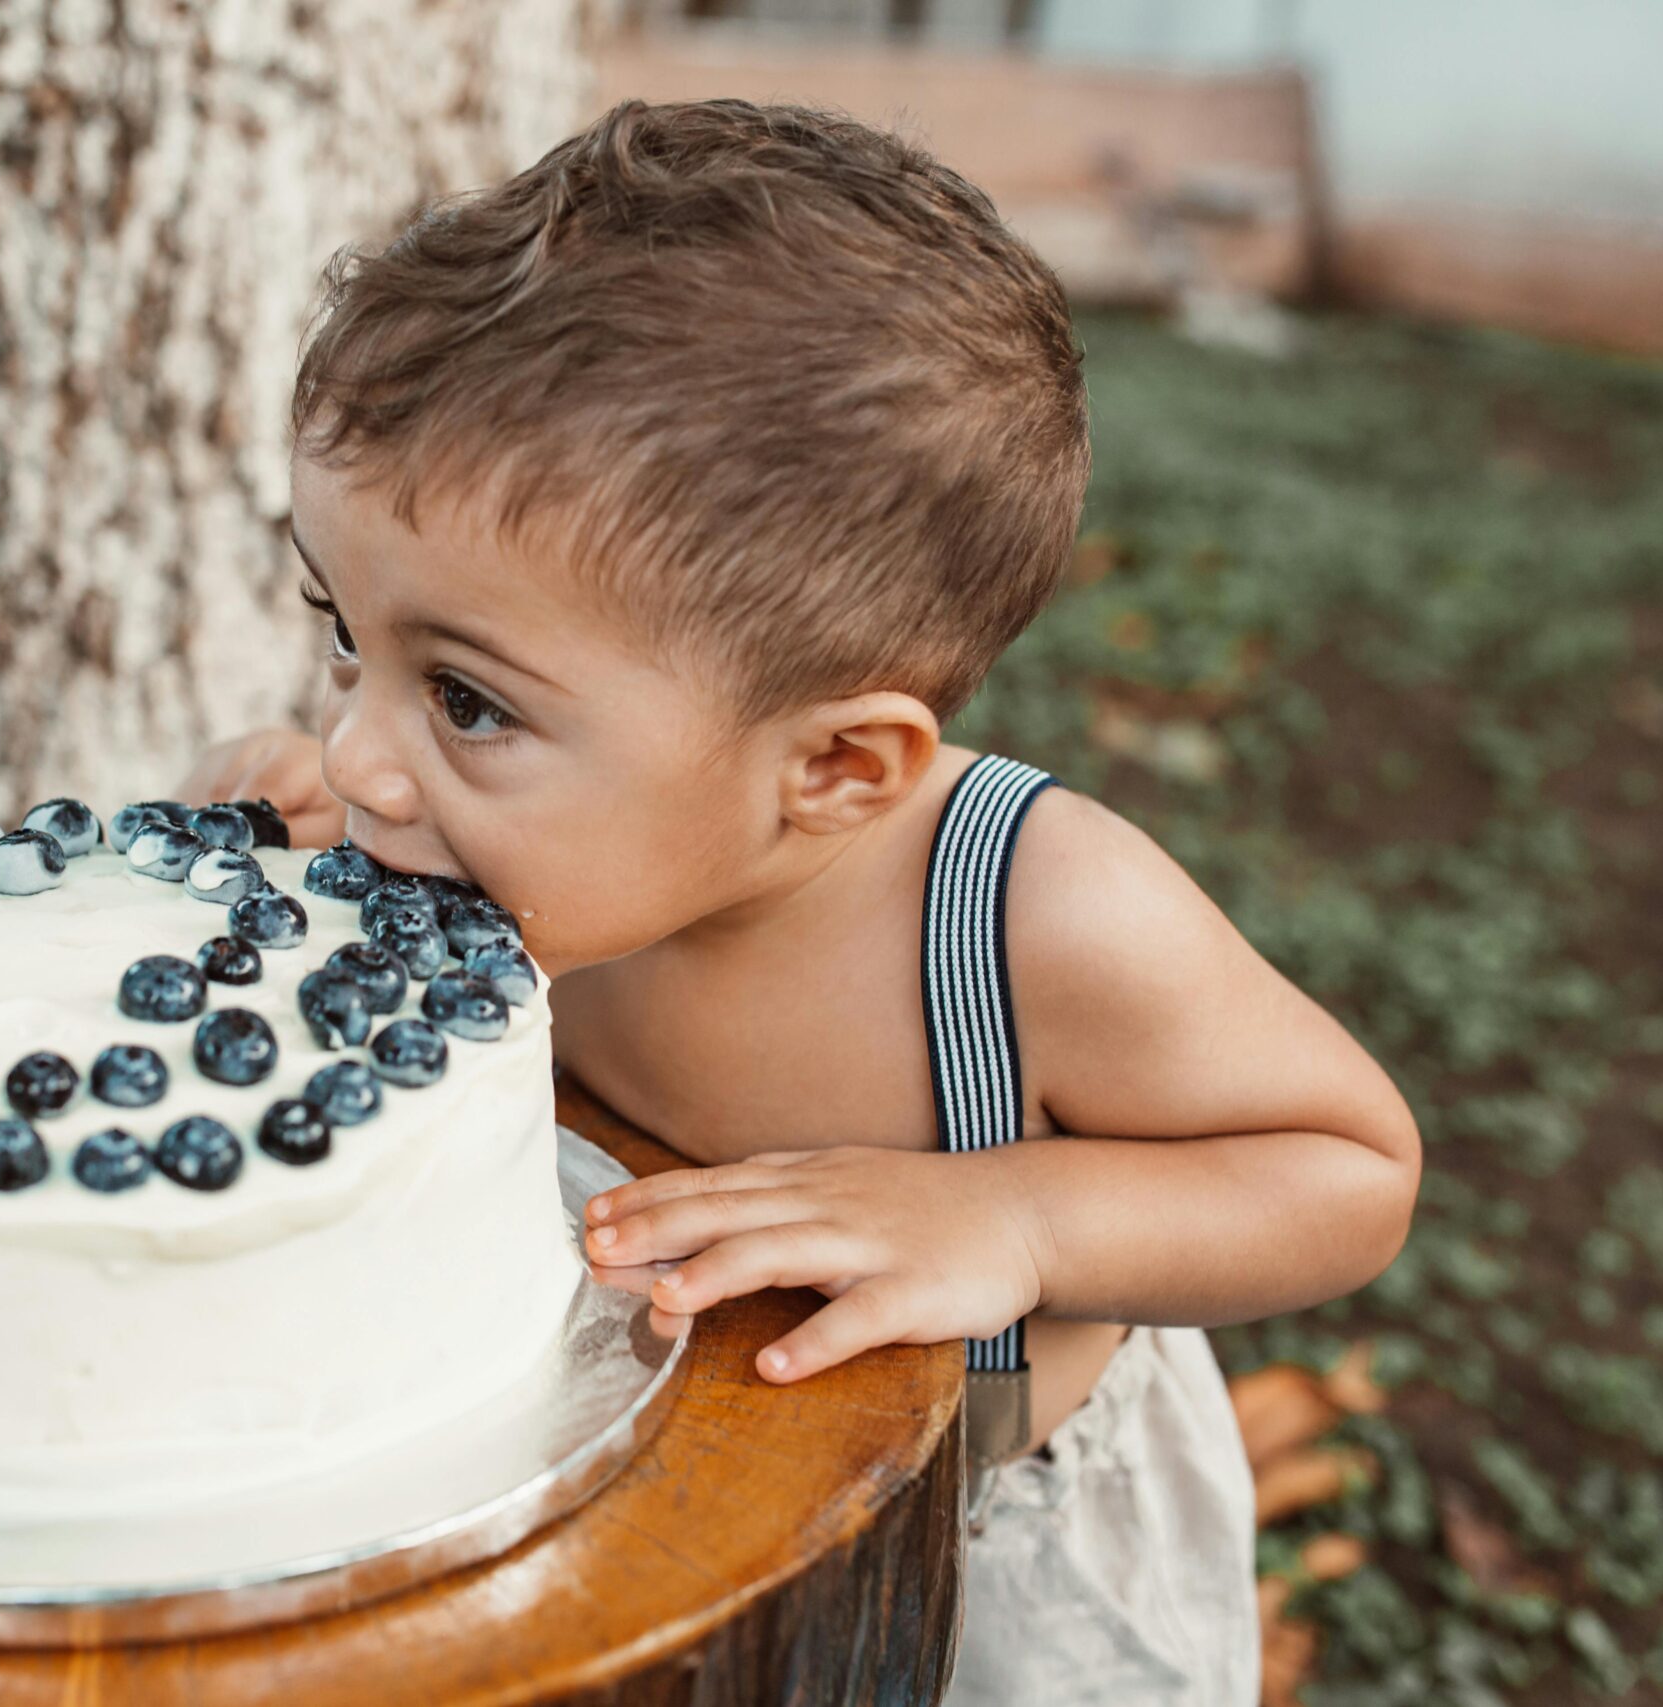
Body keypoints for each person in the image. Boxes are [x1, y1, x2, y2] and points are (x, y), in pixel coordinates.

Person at [181, 98, 1418, 1704]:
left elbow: (1348, 1168)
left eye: (467, 700)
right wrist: (261, 847)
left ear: (832, 770)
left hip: (983, 1545)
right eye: (343, 629)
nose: (361, 750)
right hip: (646, 1505)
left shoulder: (1025, 915)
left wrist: (1018, 1216)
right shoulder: (482, 836)